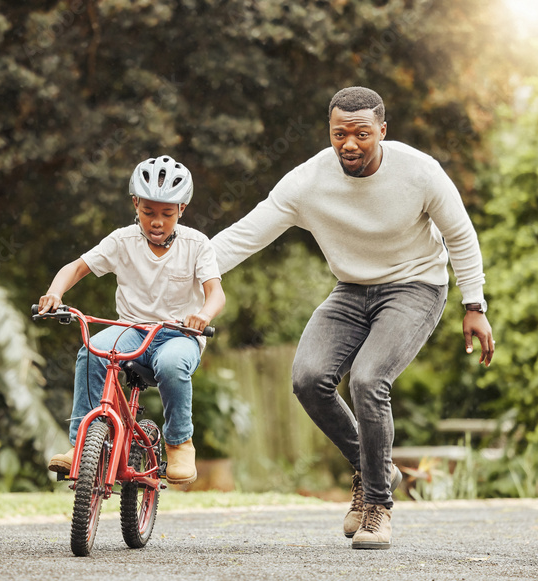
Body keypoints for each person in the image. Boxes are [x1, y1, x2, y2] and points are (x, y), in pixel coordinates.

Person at [211, 87, 494, 549]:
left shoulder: (420, 172)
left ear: (382, 131)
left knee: (367, 379)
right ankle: (374, 468)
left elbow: (460, 236)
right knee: (308, 378)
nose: (350, 144)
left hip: (416, 286)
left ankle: (378, 506)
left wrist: (474, 305)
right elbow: (244, 235)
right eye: (339, 133)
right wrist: (185, 272)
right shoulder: (308, 182)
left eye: (362, 133)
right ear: (330, 132)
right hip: (351, 290)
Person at [39, 155, 226, 485]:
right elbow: (76, 267)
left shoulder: (197, 245)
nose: (157, 221)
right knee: (92, 350)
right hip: (130, 330)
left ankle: (180, 442)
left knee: (171, 366)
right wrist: (55, 293)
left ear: (181, 209)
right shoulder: (122, 240)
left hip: (179, 335)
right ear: (135, 203)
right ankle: (80, 445)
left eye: (167, 214)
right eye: (148, 212)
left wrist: (203, 315)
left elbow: (216, 293)